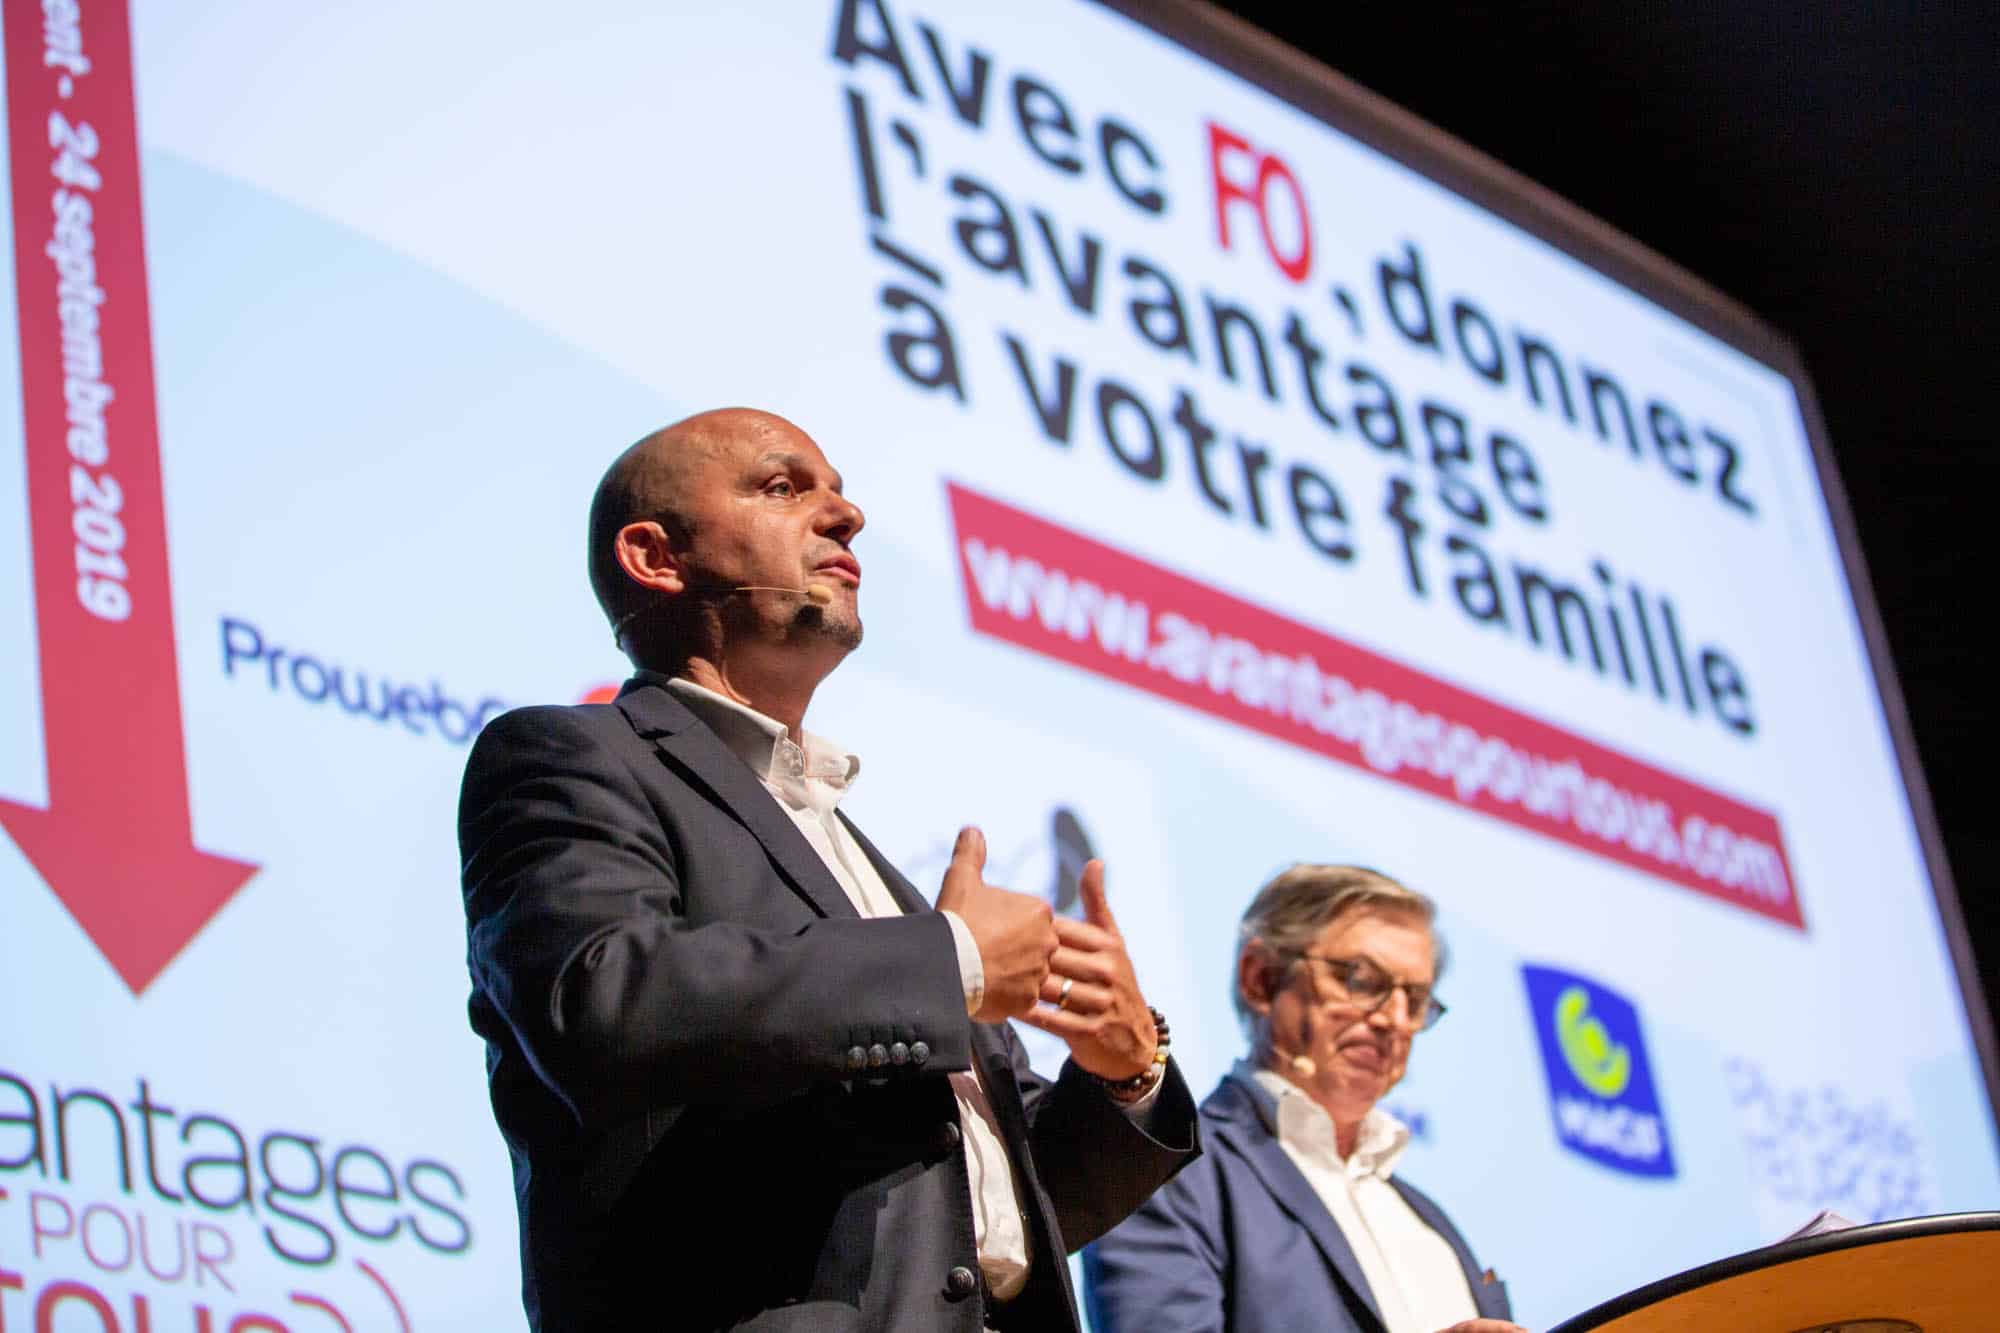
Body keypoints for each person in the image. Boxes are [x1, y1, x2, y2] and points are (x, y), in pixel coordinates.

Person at [458, 407, 1198, 1331]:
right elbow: (601, 999)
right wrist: (955, 960)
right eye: (783, 487)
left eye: (841, 493)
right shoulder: (568, 757)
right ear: (655, 556)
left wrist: (1126, 1070)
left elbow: (984, 1216)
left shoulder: (860, 859)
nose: (848, 516)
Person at [1084, 865, 1521, 1333]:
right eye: (1362, 981)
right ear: (1261, 979)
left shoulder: (1430, 1223)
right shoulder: (1161, 1169)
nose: (1395, 1020)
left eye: (1415, 1000)